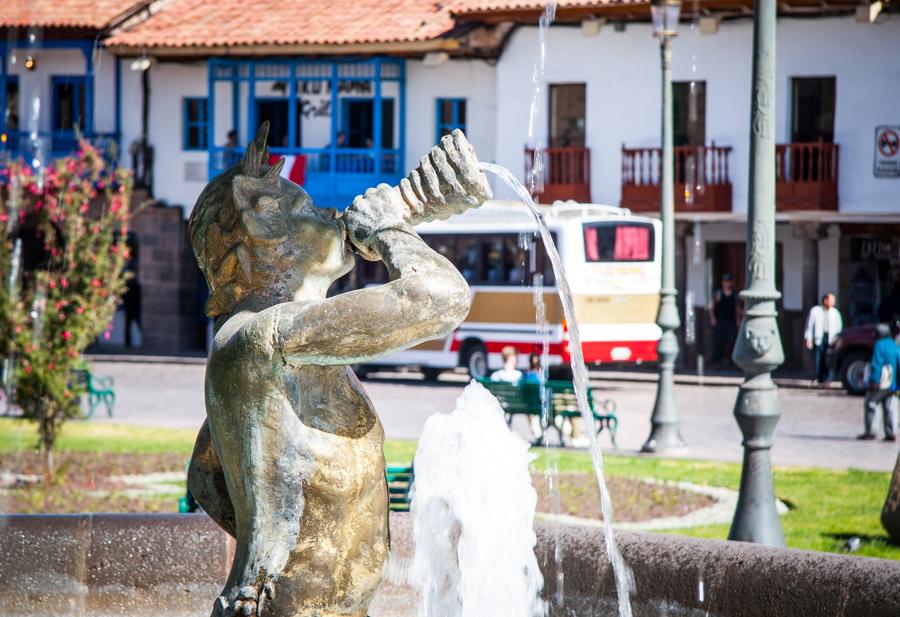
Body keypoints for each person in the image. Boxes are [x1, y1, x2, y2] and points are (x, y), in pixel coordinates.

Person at [859, 323, 899, 442]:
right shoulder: (894, 344)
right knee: (890, 406)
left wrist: (874, 381)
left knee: (871, 403)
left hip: (882, 381)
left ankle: (871, 431)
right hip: (893, 383)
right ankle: (890, 432)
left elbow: (877, 363)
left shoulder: (879, 345)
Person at [804, 292, 843, 384]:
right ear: (825, 300)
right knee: (818, 358)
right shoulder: (815, 311)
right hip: (819, 337)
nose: (833, 302)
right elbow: (809, 326)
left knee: (829, 359)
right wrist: (808, 338)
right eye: (831, 300)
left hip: (831, 338)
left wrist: (837, 339)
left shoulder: (835, 312)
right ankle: (818, 377)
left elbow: (839, 327)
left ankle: (828, 378)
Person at [708, 273, 738, 367]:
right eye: (725, 281)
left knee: (732, 341)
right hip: (720, 320)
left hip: (731, 320)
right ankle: (717, 361)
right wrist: (712, 318)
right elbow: (711, 306)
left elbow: (737, 307)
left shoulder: (734, 294)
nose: (726, 284)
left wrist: (738, 319)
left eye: (728, 281)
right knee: (718, 341)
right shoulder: (718, 293)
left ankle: (731, 360)